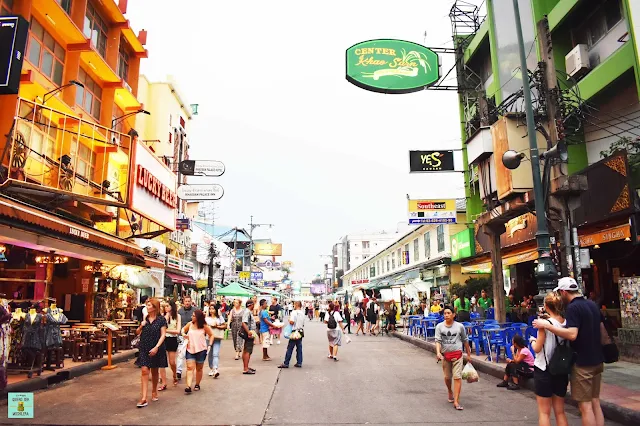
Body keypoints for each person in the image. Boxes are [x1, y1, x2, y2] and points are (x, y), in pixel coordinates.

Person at [533, 277, 605, 426]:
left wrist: (546, 326)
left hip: (581, 362)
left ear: (564, 292)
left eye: (560, 292)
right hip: (597, 359)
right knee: (595, 402)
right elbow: (602, 330)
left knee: (585, 407)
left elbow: (572, 334)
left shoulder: (573, 308)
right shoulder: (592, 305)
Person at [531, 292, 569, 426]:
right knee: (560, 411)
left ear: (546, 306)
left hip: (544, 369)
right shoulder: (566, 323)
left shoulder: (544, 325)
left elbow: (537, 348)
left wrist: (532, 341)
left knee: (544, 412)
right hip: (561, 370)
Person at [435, 306, 472, 411]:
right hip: (445, 356)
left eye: (448, 313)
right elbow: (437, 341)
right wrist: (438, 352)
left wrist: (469, 355)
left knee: (457, 377)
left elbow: (465, 340)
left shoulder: (460, 327)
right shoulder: (439, 327)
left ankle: (456, 401)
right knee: (447, 377)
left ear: (453, 315)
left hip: (458, 355)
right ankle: (450, 391)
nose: (446, 315)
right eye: (445, 313)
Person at [134, 298, 167, 408]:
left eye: (149, 305)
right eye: (147, 305)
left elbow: (163, 334)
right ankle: (143, 398)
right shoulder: (145, 318)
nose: (147, 307)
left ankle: (154, 391)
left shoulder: (161, 319)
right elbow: (137, 332)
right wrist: (141, 325)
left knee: (154, 370)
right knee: (144, 370)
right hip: (144, 346)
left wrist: (157, 347)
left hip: (156, 347)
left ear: (154, 307)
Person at [181, 309, 214, 394]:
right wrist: (184, 334)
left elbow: (211, 335)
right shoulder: (190, 324)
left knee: (199, 368)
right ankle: (188, 386)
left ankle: (197, 384)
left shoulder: (204, 326)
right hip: (190, 348)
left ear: (198, 317)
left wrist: (209, 345)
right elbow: (183, 330)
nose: (192, 317)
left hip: (201, 349)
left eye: (194, 316)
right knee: (189, 367)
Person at [159, 300, 181, 389]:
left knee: (172, 362)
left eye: (168, 306)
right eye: (165, 306)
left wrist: (166, 330)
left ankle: (174, 375)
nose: (166, 308)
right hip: (163, 338)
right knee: (161, 362)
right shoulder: (163, 317)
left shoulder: (177, 316)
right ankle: (164, 382)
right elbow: (160, 328)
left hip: (172, 339)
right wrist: (166, 317)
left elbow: (177, 331)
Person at [278, 301, 305, 369]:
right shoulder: (302, 313)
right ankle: (299, 362)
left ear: (296, 305)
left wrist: (289, 320)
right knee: (299, 347)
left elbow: (292, 322)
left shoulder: (294, 312)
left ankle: (286, 363)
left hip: (294, 331)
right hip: (300, 331)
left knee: (290, 347)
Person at [176, 296, 195, 379]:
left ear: (191, 302)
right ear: (183, 302)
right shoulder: (179, 311)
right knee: (180, 353)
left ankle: (190, 370)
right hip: (182, 335)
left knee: (191, 354)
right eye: (186, 301)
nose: (187, 303)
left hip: (192, 336)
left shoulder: (195, 311)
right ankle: (178, 371)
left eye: (188, 301)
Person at [205, 306, 226, 378]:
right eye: (210, 309)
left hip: (217, 337)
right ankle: (211, 368)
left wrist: (217, 326)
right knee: (210, 354)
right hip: (208, 337)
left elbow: (224, 325)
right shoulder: (206, 318)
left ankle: (215, 369)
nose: (211, 310)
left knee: (215, 354)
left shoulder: (219, 318)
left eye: (213, 309)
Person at [241, 300, 258, 374]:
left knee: (246, 350)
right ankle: (245, 368)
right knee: (248, 350)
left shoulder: (248, 312)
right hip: (249, 333)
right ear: (250, 305)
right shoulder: (247, 312)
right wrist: (249, 332)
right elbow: (244, 323)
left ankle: (246, 366)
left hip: (249, 332)